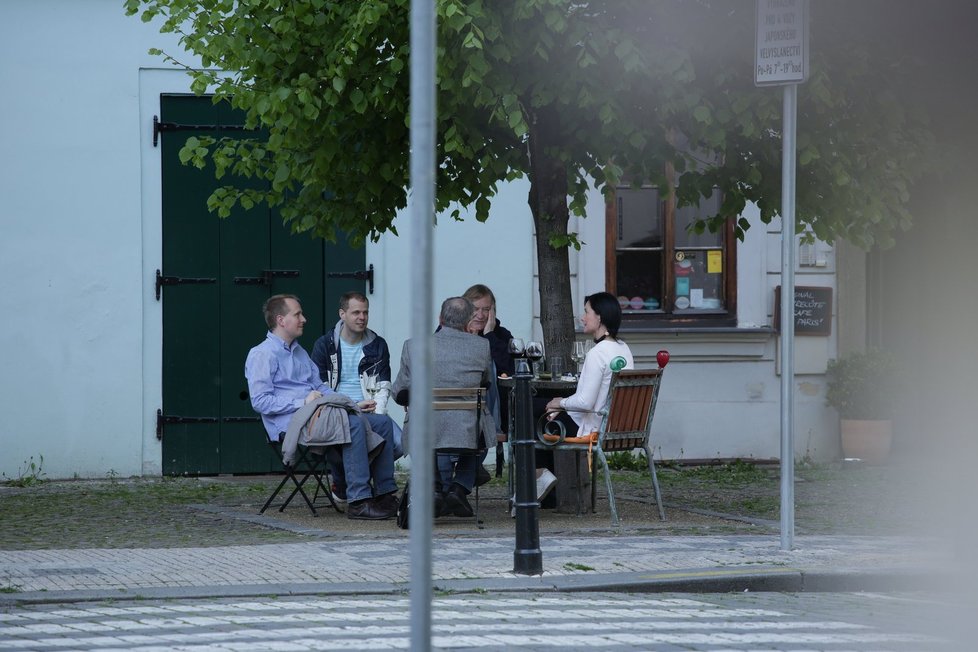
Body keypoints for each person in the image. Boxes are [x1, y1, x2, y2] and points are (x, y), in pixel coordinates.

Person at [245, 294, 400, 521]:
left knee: (382, 423)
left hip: (320, 414)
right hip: (293, 424)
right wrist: (303, 402)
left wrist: (352, 404)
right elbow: (260, 402)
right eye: (297, 314)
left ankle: (385, 494)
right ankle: (358, 500)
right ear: (280, 320)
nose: (304, 319)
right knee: (354, 424)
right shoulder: (261, 354)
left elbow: (321, 388)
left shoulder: (299, 352)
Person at [392, 297, 496, 518]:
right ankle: (458, 489)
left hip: (425, 429)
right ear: (469, 320)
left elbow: (399, 392)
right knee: (481, 426)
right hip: (467, 430)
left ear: (440, 319)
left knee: (427, 427)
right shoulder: (481, 346)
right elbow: (485, 382)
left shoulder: (413, 346)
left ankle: (436, 488)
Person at [310, 292, 403, 501]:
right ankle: (345, 481)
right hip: (336, 411)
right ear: (342, 314)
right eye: (356, 312)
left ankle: (367, 484)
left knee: (398, 443)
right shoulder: (324, 345)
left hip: (369, 410)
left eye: (365, 312)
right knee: (347, 437)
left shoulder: (377, 344)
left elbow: (383, 387)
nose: (362, 317)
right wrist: (352, 406)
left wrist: (377, 415)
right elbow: (319, 388)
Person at [545, 291, 635, 440]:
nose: (582, 318)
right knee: (548, 410)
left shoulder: (597, 353)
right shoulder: (623, 348)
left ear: (599, 317)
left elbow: (585, 402)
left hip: (592, 429)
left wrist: (559, 402)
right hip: (615, 426)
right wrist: (561, 405)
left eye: (587, 312)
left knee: (534, 413)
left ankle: (539, 464)